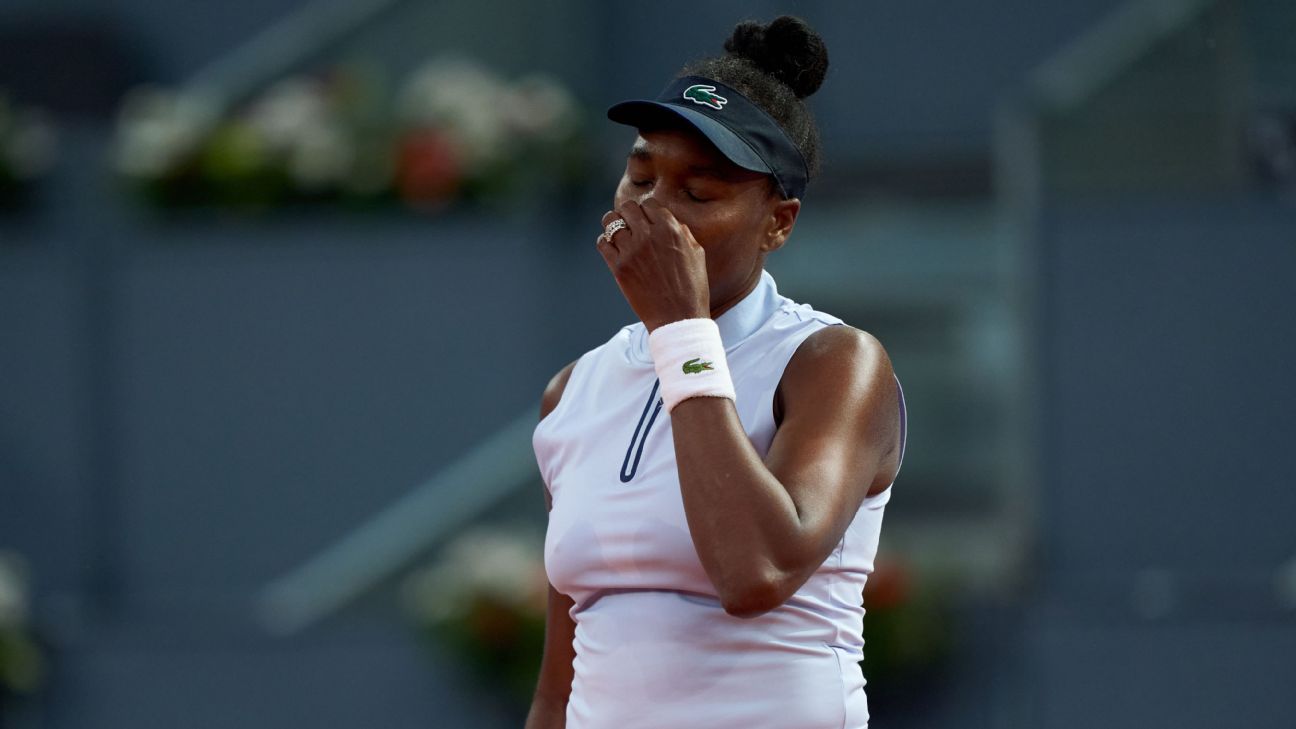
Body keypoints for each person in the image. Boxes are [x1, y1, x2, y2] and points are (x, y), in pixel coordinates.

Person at [526, 15, 906, 729]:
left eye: (698, 193)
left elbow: (755, 570)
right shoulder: (570, 391)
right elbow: (557, 690)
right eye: (641, 176)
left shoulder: (834, 361)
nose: (653, 210)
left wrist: (680, 330)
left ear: (778, 222)